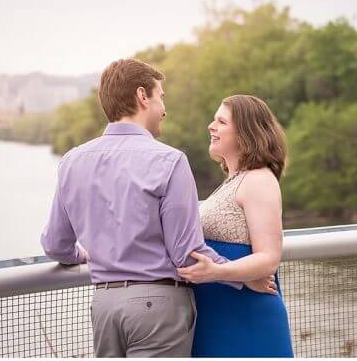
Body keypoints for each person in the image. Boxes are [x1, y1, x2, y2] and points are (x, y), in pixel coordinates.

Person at [40, 58, 269, 359]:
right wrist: (241, 275)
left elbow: (56, 244)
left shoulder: (72, 161)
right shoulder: (170, 161)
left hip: (104, 306)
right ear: (142, 96)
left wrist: (83, 255)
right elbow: (186, 253)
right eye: (161, 97)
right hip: (158, 308)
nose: (164, 108)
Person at [177, 95, 294, 357]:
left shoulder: (259, 180)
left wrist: (216, 272)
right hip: (216, 317)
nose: (211, 126)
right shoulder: (231, 183)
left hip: (246, 317)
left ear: (246, 134)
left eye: (221, 122)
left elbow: (269, 258)